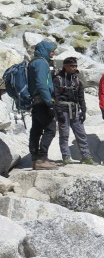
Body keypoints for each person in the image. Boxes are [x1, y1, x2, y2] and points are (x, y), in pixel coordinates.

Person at [55, 56, 95, 165]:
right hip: (63, 109)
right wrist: (58, 112)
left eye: (75, 66)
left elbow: (81, 97)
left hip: (75, 110)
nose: (74, 68)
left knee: (81, 133)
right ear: (65, 66)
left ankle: (86, 157)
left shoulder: (76, 80)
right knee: (64, 134)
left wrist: (84, 111)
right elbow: (56, 97)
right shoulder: (58, 79)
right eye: (72, 66)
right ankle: (66, 156)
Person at [26, 40, 59, 170]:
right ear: (45, 50)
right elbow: (41, 84)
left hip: (35, 101)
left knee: (36, 130)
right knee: (50, 129)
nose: (53, 53)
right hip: (43, 101)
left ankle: (35, 159)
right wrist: (49, 102)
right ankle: (42, 158)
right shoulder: (42, 63)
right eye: (51, 50)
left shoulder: (34, 62)